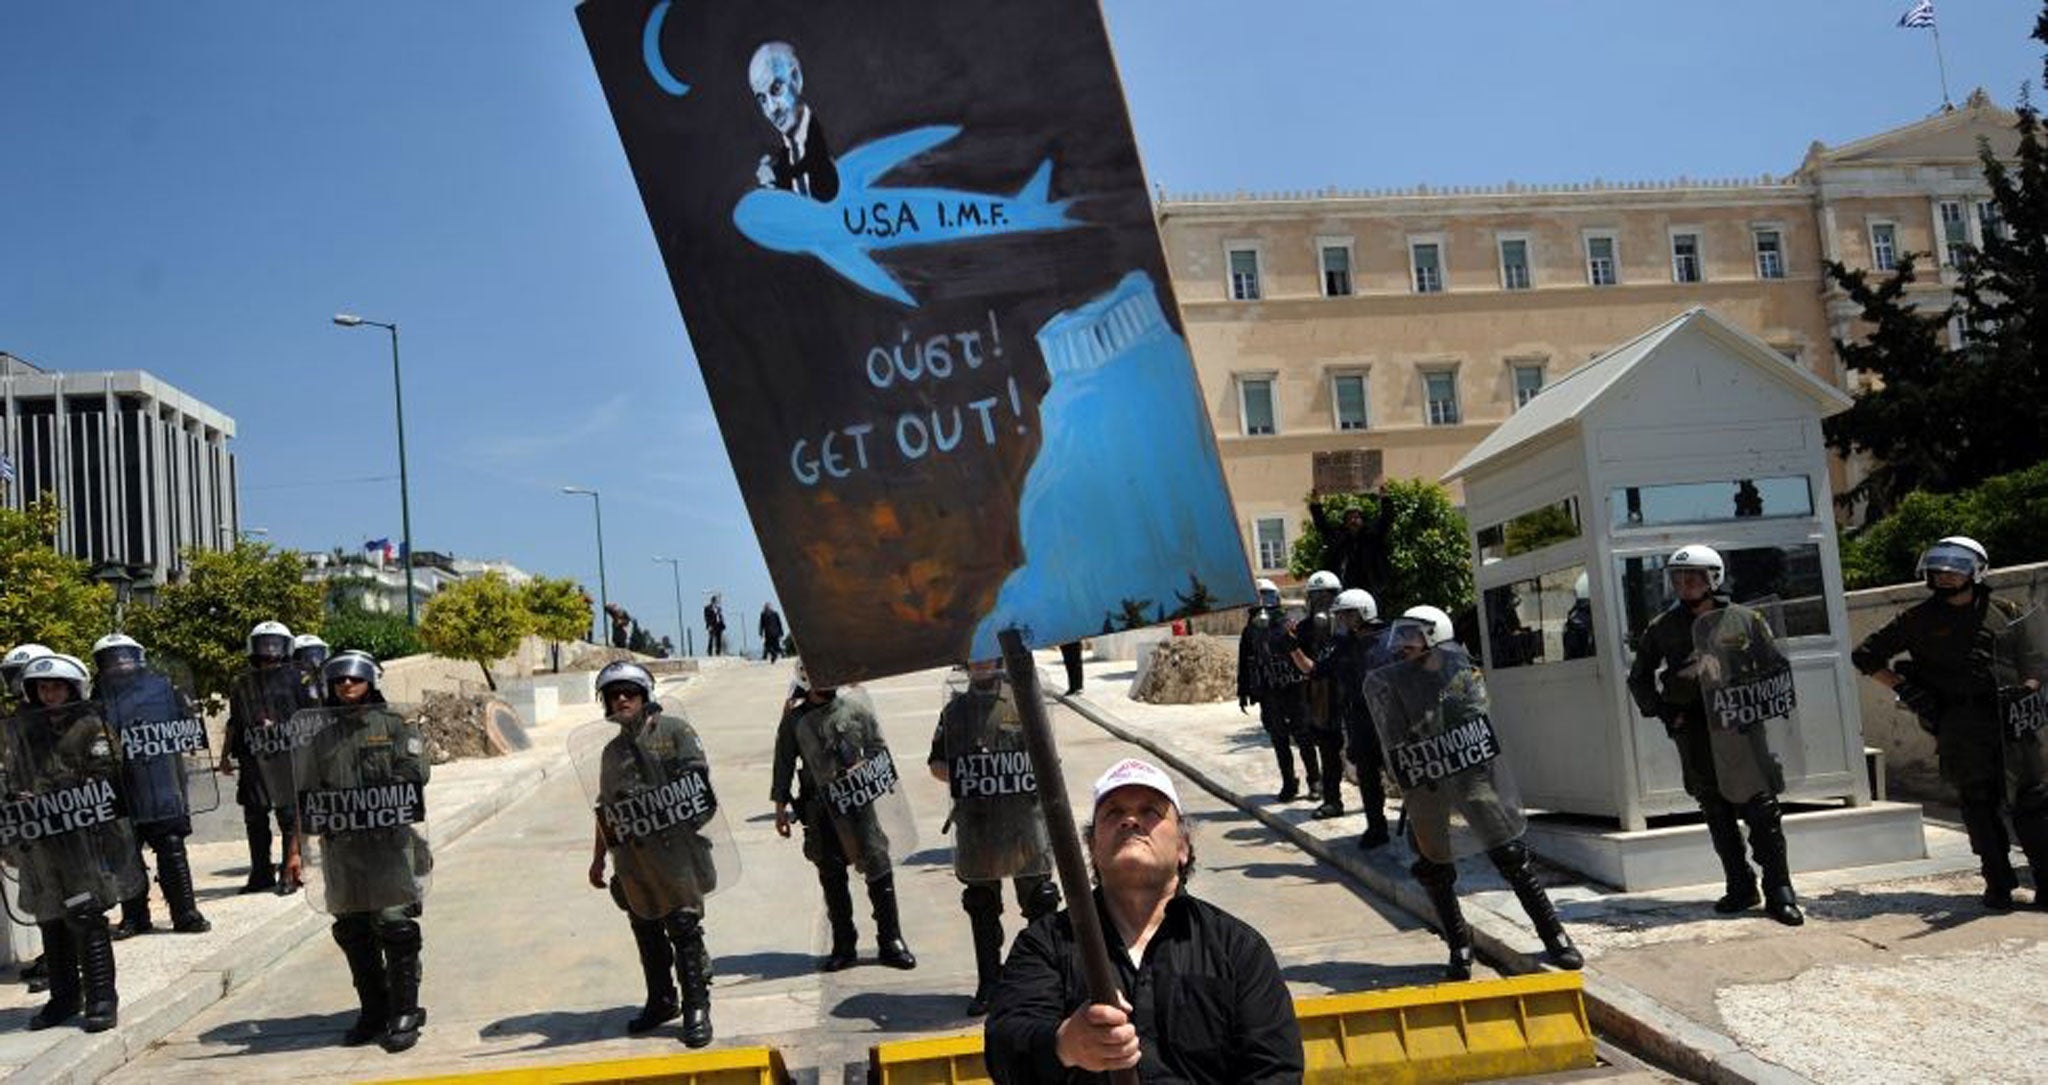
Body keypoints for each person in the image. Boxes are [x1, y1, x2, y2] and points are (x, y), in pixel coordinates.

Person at [983, 758, 1302, 1083]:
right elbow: (1003, 1050)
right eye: (1114, 813)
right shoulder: (1047, 944)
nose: (1130, 820)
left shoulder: (1237, 949)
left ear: (1183, 846)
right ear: (1093, 848)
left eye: (1150, 811)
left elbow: (1275, 1070)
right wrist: (1065, 1043)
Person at [1368, 610, 1582, 979]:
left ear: (1434, 637)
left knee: (1510, 853)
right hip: (1428, 781)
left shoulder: (1461, 671)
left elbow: (1475, 713)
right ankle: (1458, 943)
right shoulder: (1395, 680)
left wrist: (1439, 721)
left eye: (1411, 635)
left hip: (1469, 775)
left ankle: (1554, 934)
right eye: (1400, 635)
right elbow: (1393, 731)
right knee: (1433, 867)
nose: (1402, 644)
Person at [1852, 536, 2047, 909]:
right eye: (1937, 571)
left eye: (1953, 571)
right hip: (1960, 722)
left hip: (2011, 720)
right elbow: (1865, 655)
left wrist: (2028, 688)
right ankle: (1998, 883)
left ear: (1975, 572)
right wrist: (1906, 690)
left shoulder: (2007, 611)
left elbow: (2035, 659)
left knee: (2033, 802)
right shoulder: (1918, 619)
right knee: (1978, 802)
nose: (1943, 577)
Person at [1626, 545, 1804, 926]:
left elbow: (1775, 665)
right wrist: (1665, 711)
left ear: (1713, 578)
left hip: (1740, 726)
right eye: (1678, 578)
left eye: (1693, 577)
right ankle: (1740, 885)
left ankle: (1780, 889)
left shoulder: (1745, 619)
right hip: (1694, 728)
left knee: (1762, 808)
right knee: (1716, 809)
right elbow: (1638, 678)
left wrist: (1757, 691)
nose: (1685, 585)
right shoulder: (1662, 627)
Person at [284, 650, 431, 1052]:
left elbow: (415, 773)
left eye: (354, 679)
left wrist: (380, 797)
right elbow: (306, 795)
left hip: (387, 847)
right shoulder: (319, 737)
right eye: (339, 681)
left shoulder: (397, 726)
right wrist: (295, 851)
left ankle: (404, 1010)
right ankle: (374, 1008)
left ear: (370, 681)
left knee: (394, 925)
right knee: (352, 930)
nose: (346, 686)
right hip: (341, 851)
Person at [585, 661, 719, 1046]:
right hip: (633, 858)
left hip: (675, 852)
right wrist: (598, 858)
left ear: (645, 695)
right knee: (644, 924)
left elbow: (700, 792)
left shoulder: (674, 732)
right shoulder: (611, 753)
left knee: (683, 925)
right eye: (614, 695)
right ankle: (662, 1000)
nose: (621, 699)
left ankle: (697, 1005)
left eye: (629, 692)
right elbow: (605, 809)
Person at [10, 653, 142, 1032]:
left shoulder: (92, 728)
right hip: (40, 841)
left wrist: (59, 791)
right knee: (50, 918)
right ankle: (64, 997)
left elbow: (108, 778)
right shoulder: (23, 730)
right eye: (42, 687)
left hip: (82, 842)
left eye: (56, 686)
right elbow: (10, 770)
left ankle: (102, 997)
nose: (49, 694)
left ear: (72, 687)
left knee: (86, 917)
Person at [928, 662, 1059, 1016]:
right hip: (978, 821)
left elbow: (1047, 755)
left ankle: (1049, 981)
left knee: (1041, 900)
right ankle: (990, 982)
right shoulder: (955, 710)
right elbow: (937, 764)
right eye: (974, 658)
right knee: (980, 901)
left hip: (1022, 820)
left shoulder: (1023, 702)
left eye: (987, 655)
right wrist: (970, 773)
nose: (981, 664)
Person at [770, 660, 916, 971]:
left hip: (859, 804)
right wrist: (780, 806)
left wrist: (864, 766)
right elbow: (783, 763)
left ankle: (891, 940)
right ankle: (844, 944)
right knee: (832, 876)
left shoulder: (855, 710)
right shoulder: (795, 721)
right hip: (821, 810)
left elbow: (879, 749)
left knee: (878, 866)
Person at [90, 634, 211, 937]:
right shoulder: (96, 697)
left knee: (170, 844)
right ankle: (135, 917)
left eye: (124, 655)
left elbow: (188, 725)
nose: (119, 663)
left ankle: (185, 913)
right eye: (111, 658)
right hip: (118, 783)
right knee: (125, 850)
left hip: (160, 778)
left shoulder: (162, 688)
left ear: (137, 656)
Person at [220, 620, 314, 894]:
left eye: (275, 643)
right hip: (253, 756)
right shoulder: (241, 682)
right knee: (254, 816)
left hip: (287, 755)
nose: (269, 650)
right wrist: (226, 755)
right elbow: (234, 722)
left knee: (288, 814)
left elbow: (312, 717)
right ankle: (260, 872)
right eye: (264, 644)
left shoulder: (300, 678)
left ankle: (289, 872)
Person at [1292, 589, 1391, 847]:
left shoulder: (1391, 639)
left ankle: (1423, 835)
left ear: (1364, 612)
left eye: (1347, 615)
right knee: (1368, 778)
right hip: (1359, 721)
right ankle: (1376, 828)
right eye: (1341, 616)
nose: (1343, 621)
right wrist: (1293, 649)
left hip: (1391, 719)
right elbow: (1314, 670)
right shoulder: (1342, 645)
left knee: (1407, 776)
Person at [1236, 579, 1320, 803]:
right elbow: (1245, 661)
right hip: (1268, 691)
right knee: (1279, 738)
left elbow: (1306, 654)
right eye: (1260, 597)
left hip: (1294, 687)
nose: (1264, 602)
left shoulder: (1290, 623)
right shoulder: (1251, 630)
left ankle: (1315, 781)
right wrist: (1243, 690)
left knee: (1303, 735)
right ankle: (1289, 782)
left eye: (1268, 596)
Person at [748, 41, 839, 201]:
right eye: (762, 99)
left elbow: (813, 169)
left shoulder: (819, 133)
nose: (771, 109)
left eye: (776, 89)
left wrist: (777, 176)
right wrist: (770, 177)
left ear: (796, 79)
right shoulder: (788, 147)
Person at [1290, 571, 1348, 819]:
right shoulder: (1303, 629)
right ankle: (1332, 800)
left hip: (1351, 695)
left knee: (1367, 754)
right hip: (1321, 697)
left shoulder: (1348, 627)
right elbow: (1300, 664)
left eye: (1327, 597)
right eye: (1317, 597)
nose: (1322, 602)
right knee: (1328, 751)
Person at [1309, 486, 1397, 602]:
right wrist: (1316, 503)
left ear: (1362, 520)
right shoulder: (1339, 537)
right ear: (1345, 522)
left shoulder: (1372, 536)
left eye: (1356, 517)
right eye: (1349, 518)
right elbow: (1322, 525)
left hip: (1370, 586)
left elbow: (1386, 519)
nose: (1353, 521)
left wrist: (1385, 498)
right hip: (1344, 587)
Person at [293, 634, 331, 703]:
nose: (314, 660)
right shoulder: (290, 679)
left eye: (318, 654)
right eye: (307, 655)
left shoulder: (326, 678)